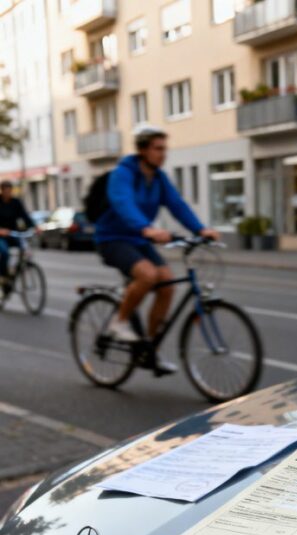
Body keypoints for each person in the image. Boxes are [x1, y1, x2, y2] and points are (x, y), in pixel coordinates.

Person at [95, 125, 218, 374]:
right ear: (142, 150)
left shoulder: (159, 179)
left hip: (139, 240)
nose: (163, 154)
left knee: (168, 285)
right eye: (158, 148)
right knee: (148, 275)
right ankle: (119, 322)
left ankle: (150, 348)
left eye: (165, 149)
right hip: (113, 238)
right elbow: (123, 203)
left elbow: (177, 205)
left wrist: (200, 229)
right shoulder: (123, 173)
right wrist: (146, 228)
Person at [0, 180, 36, 293]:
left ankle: (16, 270)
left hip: (13, 233)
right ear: (2, 190)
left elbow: (24, 215)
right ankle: (4, 276)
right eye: (6, 190)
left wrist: (34, 226)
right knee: (4, 252)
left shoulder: (15, 202)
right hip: (1, 236)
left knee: (25, 249)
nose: (8, 192)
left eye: (9, 190)